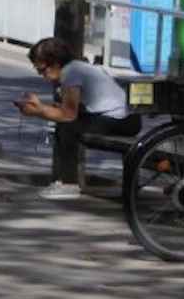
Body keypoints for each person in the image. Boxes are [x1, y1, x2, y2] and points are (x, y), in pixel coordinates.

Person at [16, 37, 141, 200]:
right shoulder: (76, 68)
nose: (41, 75)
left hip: (123, 120)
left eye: (42, 70)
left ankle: (69, 184)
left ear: (54, 63)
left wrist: (38, 111)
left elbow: (68, 115)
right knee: (67, 123)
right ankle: (66, 181)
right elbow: (70, 109)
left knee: (67, 127)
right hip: (124, 117)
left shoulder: (71, 73)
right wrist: (41, 108)